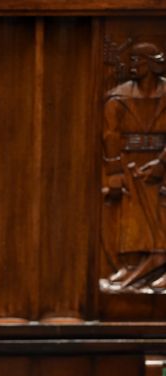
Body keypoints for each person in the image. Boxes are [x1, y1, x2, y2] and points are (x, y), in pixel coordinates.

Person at [102, 42, 166, 291]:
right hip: (131, 164)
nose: (131, 67)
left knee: (162, 212)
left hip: (161, 164)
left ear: (151, 64)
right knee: (130, 217)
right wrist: (115, 173)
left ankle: (159, 262)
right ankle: (131, 265)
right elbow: (110, 137)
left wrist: (161, 163)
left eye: (136, 61)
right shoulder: (118, 98)